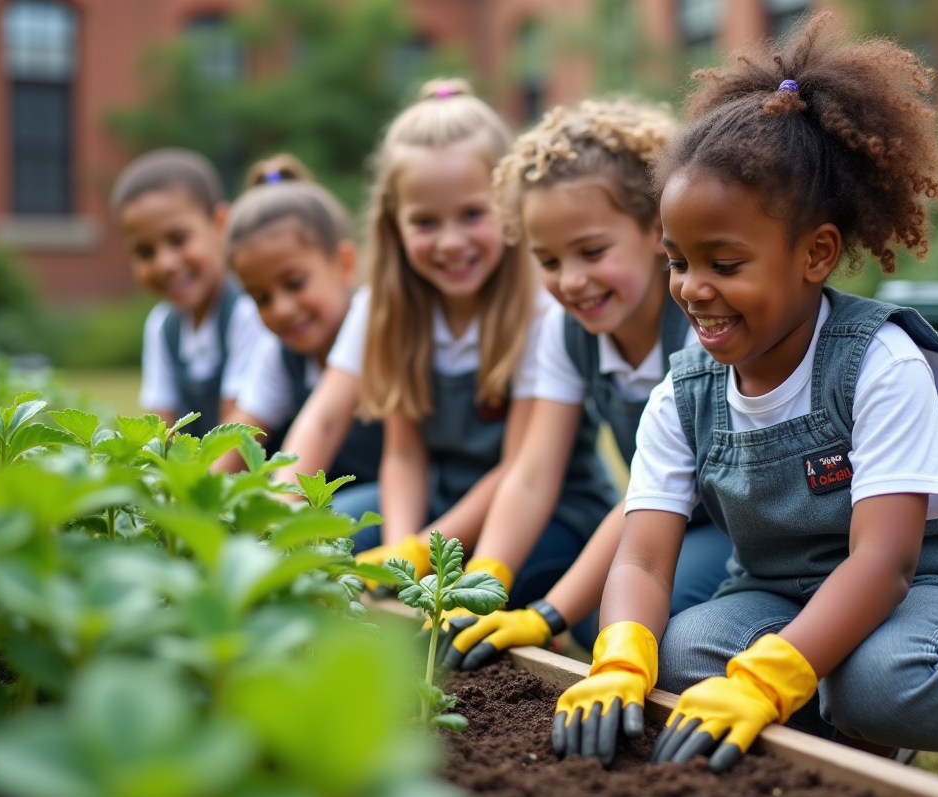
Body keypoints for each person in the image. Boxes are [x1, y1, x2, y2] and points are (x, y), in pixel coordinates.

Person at [551, 14, 938, 797]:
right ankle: (864, 748)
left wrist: (770, 675)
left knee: (883, 680)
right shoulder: (684, 392)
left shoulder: (879, 362)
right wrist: (618, 658)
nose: (691, 288)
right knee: (682, 655)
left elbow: (884, 564)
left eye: (725, 262)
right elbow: (645, 556)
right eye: (678, 261)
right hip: (784, 589)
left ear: (816, 253)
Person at [438, 98, 733, 667]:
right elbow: (531, 474)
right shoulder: (567, 332)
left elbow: (647, 490)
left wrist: (546, 612)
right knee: (597, 612)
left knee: (620, 623)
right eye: (547, 261)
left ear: (657, 230)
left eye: (592, 252)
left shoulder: (704, 328)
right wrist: (482, 582)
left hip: (737, 531)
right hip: (659, 527)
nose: (571, 282)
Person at [345, 79, 617, 608]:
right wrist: (403, 551)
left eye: (472, 214)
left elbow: (519, 469)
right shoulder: (393, 309)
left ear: (510, 210)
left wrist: (426, 547)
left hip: (546, 509)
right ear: (393, 224)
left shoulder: (542, 311)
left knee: (485, 583)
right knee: (337, 532)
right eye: (425, 222)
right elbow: (403, 456)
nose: (451, 242)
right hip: (442, 504)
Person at [213, 154, 382, 482]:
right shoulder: (280, 356)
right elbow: (238, 441)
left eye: (295, 283)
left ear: (344, 264)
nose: (282, 309)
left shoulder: (374, 324)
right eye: (261, 298)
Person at [112, 148, 271, 438]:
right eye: (145, 252)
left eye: (178, 240)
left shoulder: (246, 311)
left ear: (221, 224)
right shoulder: (162, 326)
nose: (165, 264)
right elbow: (160, 433)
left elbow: (237, 438)